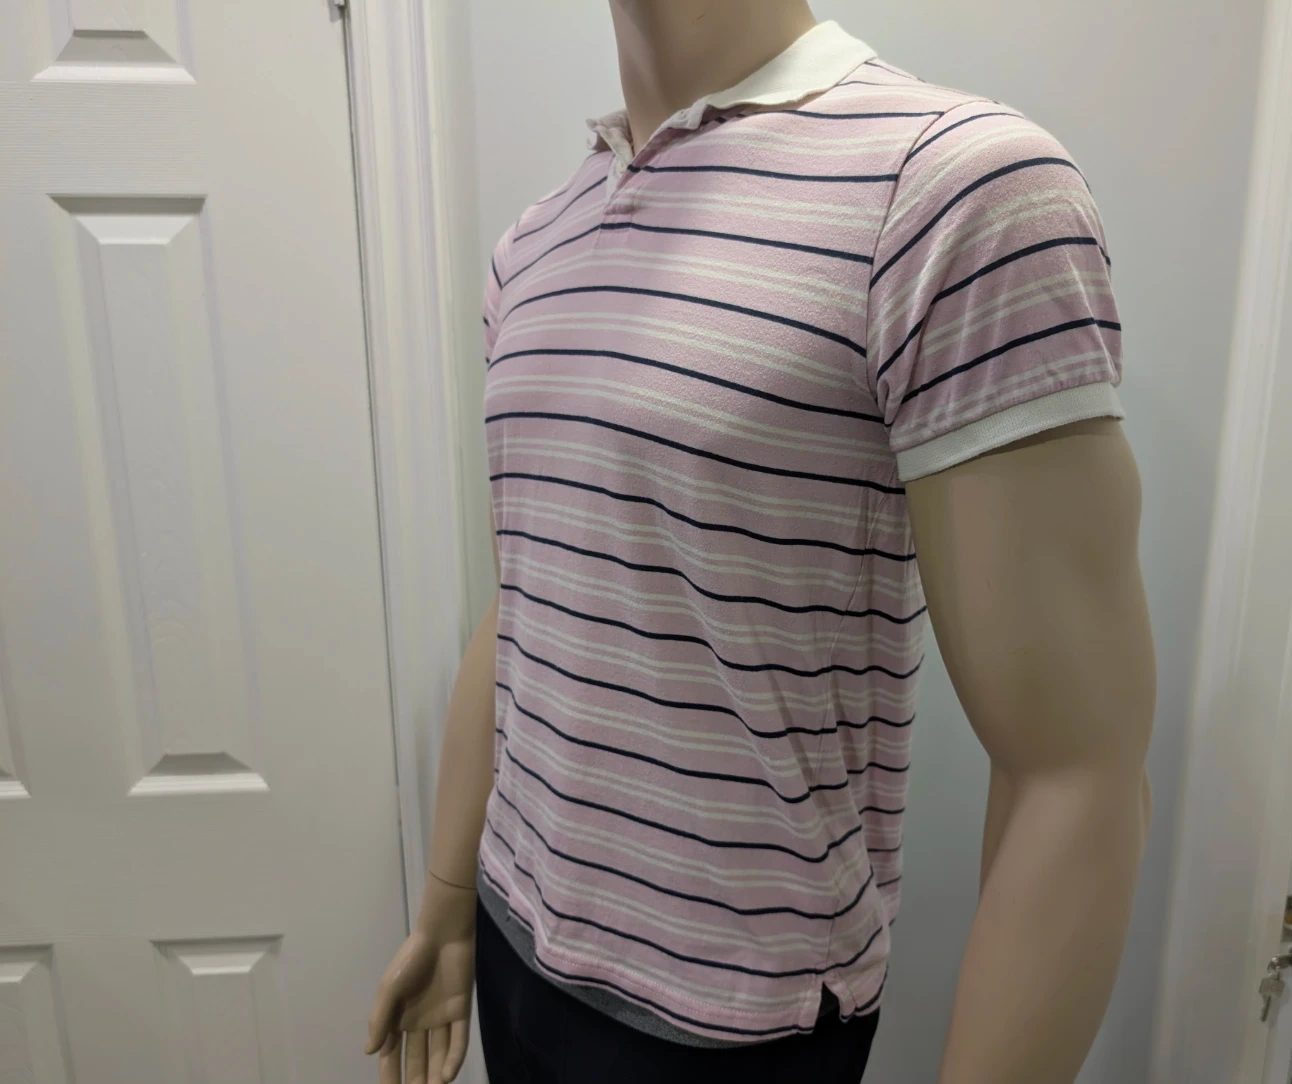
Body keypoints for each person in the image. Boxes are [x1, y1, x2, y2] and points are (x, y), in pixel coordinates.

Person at [365, 2, 1156, 1081]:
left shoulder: (952, 190)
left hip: (730, 1023)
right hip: (513, 934)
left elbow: (1077, 770)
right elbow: (528, 604)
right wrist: (450, 903)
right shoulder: (534, 244)